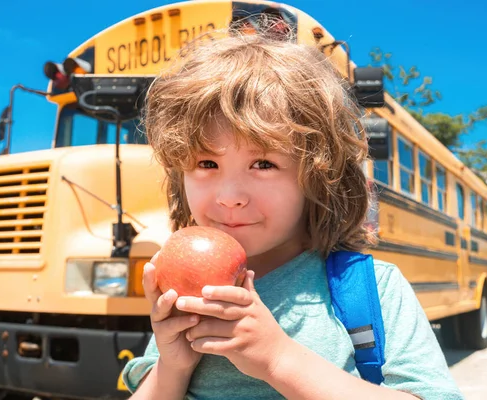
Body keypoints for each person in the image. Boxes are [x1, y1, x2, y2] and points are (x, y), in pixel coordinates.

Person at [121, 20, 464, 400]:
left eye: (264, 164)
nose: (230, 196)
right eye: (206, 164)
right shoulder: (188, 285)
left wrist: (278, 359)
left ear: (318, 176)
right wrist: (173, 366)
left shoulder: (369, 288)